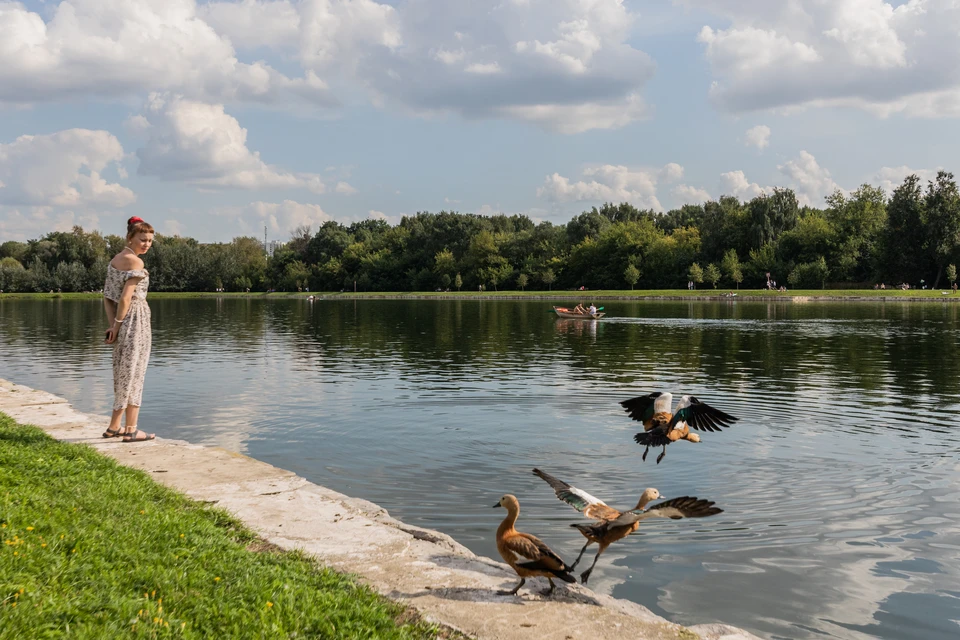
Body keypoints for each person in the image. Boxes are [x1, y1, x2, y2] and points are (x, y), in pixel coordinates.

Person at [101, 216, 156, 443]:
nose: (146, 244)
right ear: (130, 237)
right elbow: (124, 299)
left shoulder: (115, 260)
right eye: (142, 239)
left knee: (124, 371)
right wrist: (119, 324)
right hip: (135, 320)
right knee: (135, 373)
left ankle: (114, 426)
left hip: (123, 322)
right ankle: (131, 429)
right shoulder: (136, 263)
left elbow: (107, 298)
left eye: (150, 241)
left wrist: (113, 325)